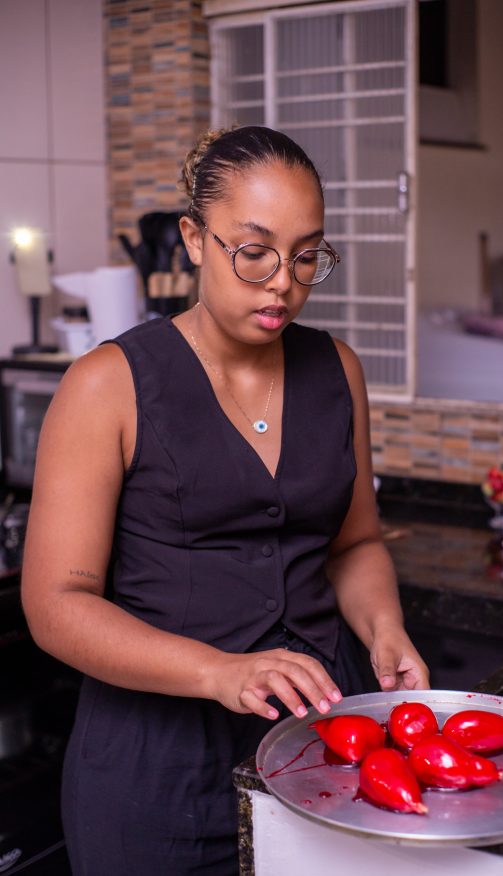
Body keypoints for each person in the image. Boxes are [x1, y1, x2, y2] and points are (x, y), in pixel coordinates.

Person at [21, 126, 429, 875]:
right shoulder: (106, 384)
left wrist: (383, 629)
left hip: (319, 750)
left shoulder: (336, 368)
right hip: (155, 771)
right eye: (254, 251)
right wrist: (220, 671)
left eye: (307, 256)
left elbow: (355, 543)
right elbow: (54, 603)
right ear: (194, 239)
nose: (282, 281)